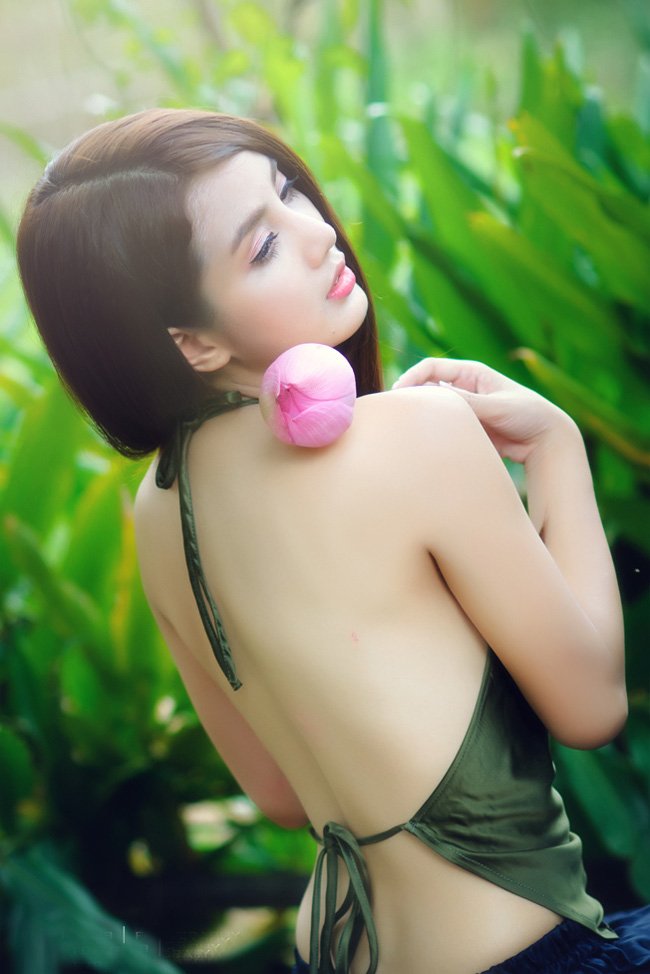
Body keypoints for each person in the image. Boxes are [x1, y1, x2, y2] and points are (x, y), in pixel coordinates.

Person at [16, 108, 650, 974]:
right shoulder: (417, 433)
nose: (318, 233)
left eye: (289, 192)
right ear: (191, 342)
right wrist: (557, 447)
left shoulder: (159, 511)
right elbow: (593, 707)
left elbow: (280, 795)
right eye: (263, 246)